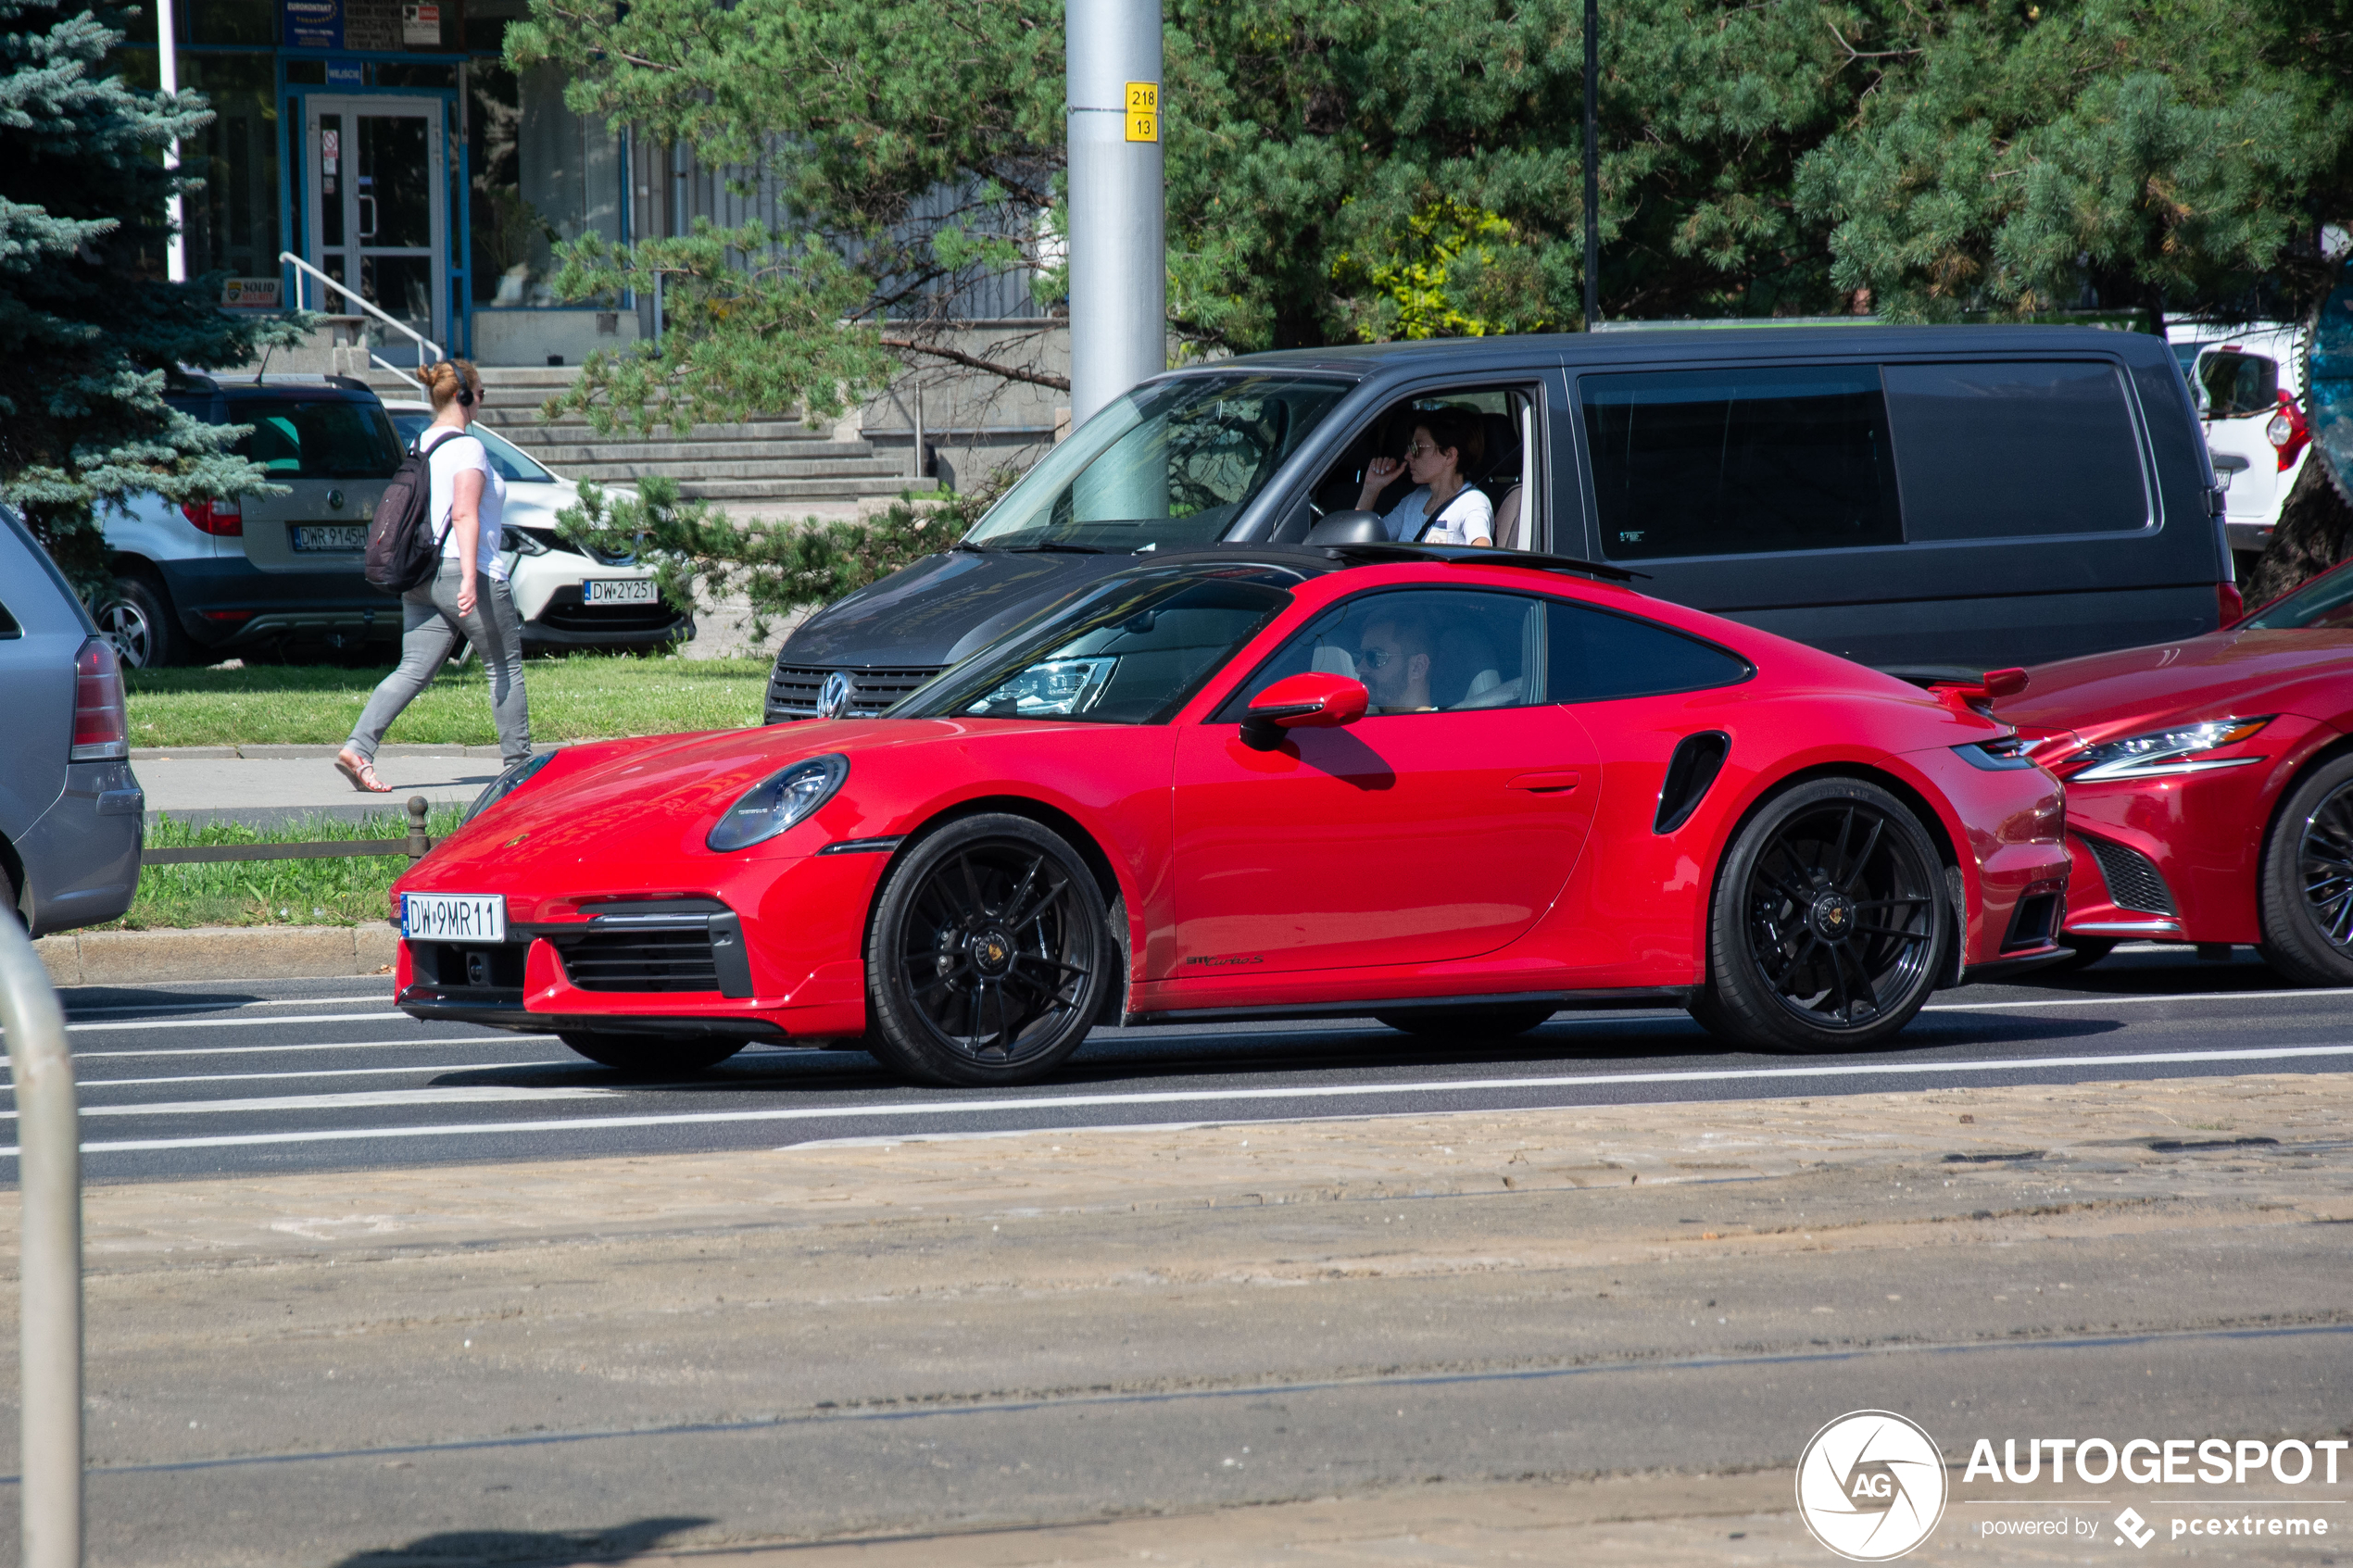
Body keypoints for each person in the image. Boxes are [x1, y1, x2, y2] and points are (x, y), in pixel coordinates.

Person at [335, 359, 531, 792]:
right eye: (480, 394)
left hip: (421, 573)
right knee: (505, 667)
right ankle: (520, 769)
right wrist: (466, 582)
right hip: (465, 569)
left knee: (413, 669)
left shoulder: (422, 442)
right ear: (464, 397)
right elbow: (463, 512)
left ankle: (359, 747)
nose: (481, 401)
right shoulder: (468, 448)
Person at [1355, 408, 1494, 546]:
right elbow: (1365, 541)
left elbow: (1482, 550)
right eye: (1410, 448)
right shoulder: (1415, 499)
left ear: (1449, 455)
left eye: (1417, 448)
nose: (1407, 456)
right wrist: (1371, 489)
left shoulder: (1472, 502)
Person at [1356, 608, 1438, 713]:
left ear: (1417, 667)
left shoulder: (1445, 728)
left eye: (1375, 657)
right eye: (1358, 656)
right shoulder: (1354, 725)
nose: (1359, 668)